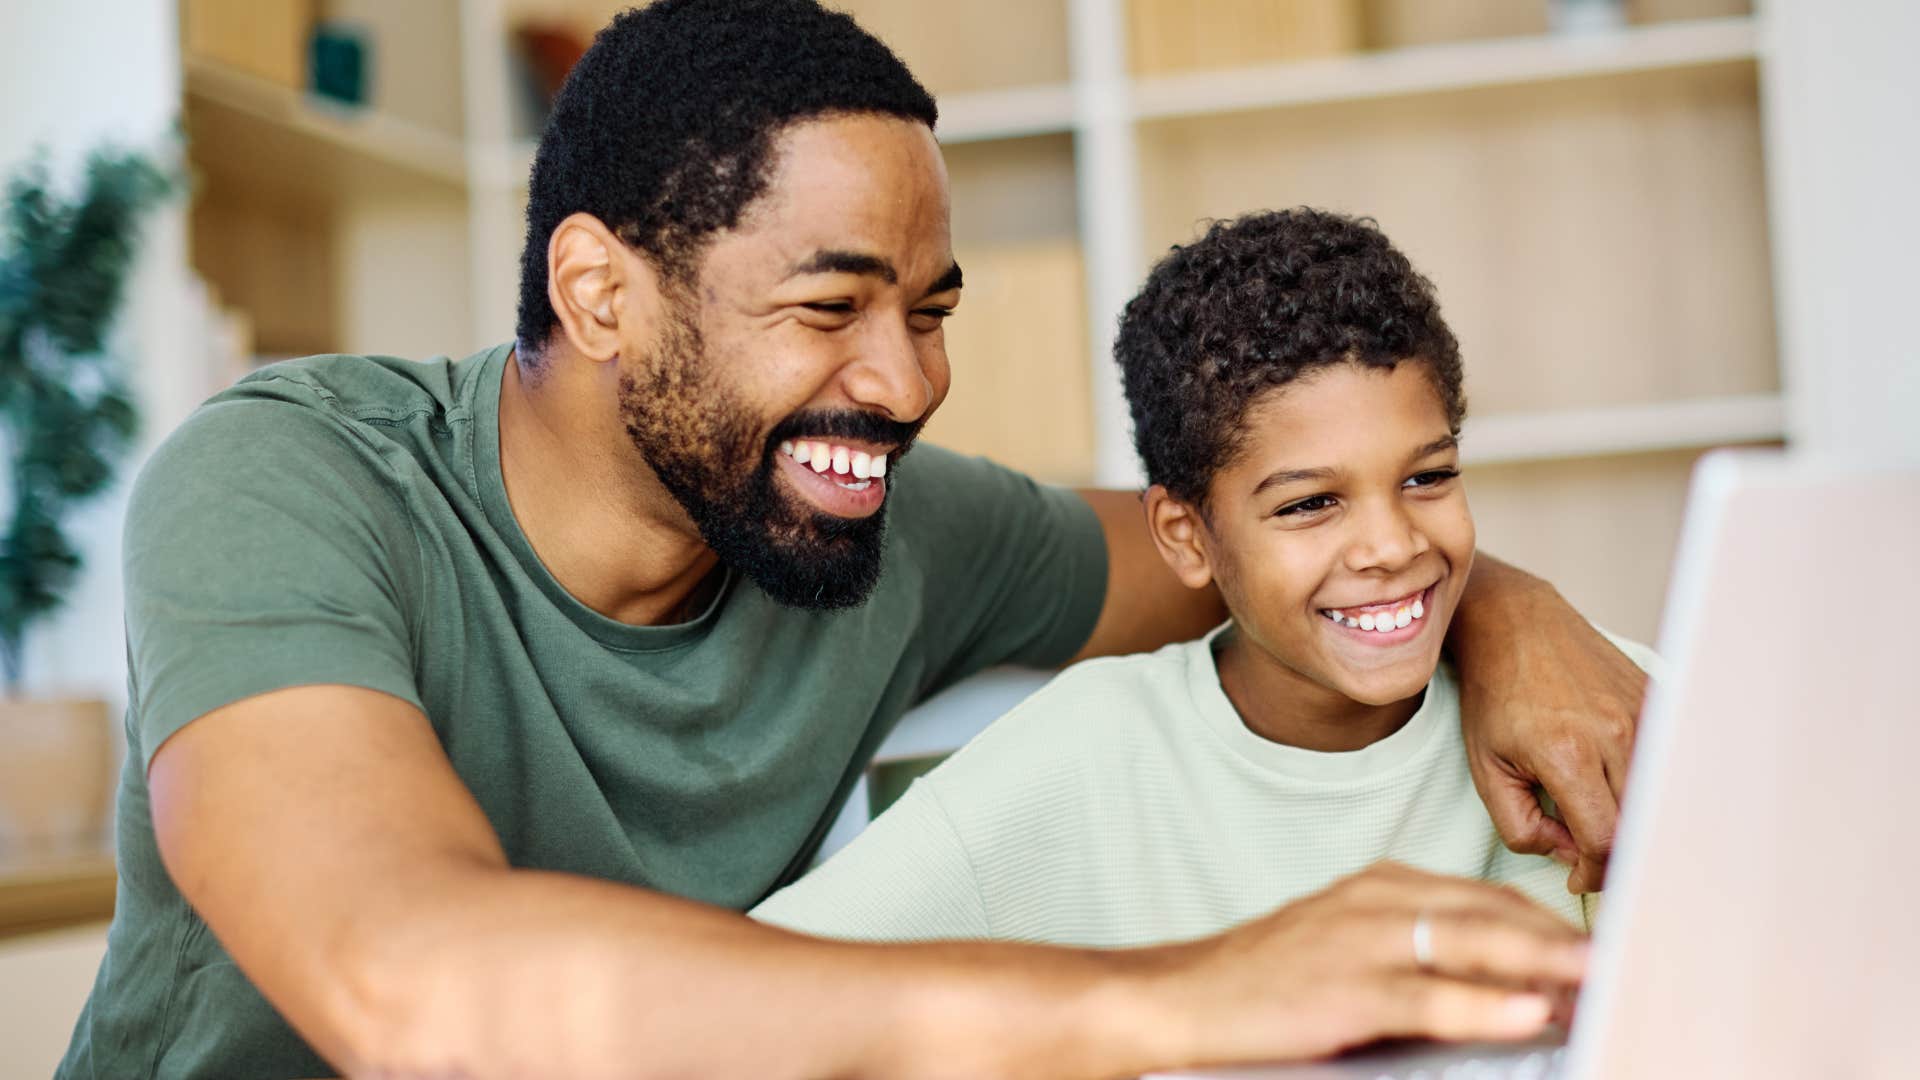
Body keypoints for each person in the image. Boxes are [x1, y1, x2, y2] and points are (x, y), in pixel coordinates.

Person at [60, 4, 1643, 1078]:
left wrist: (1506, 610)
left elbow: (1246, 538)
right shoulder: (289, 482)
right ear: (599, 291)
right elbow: (407, 986)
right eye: (830, 307)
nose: (905, 383)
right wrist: (1182, 997)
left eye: (928, 311)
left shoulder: (866, 515)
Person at [754, 207, 1660, 958]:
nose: (1389, 544)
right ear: (1187, 538)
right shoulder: (1083, 757)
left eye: (1427, 477)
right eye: (1309, 504)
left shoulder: (1595, 713)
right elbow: (760, 1003)